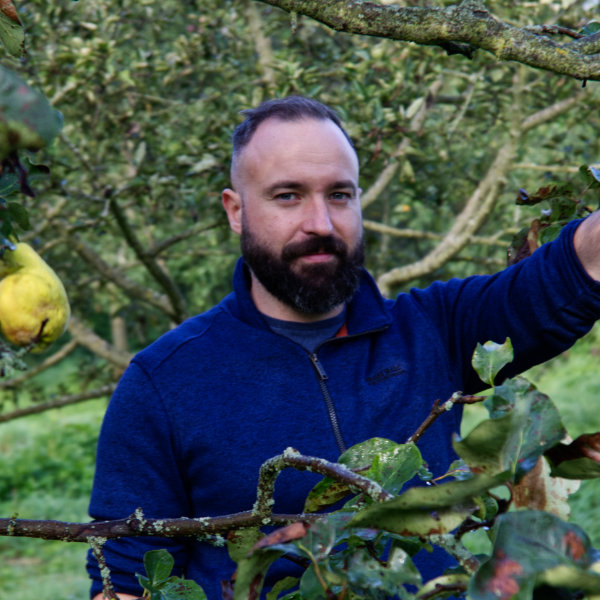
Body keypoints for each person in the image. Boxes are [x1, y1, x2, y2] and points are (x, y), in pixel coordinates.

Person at [87, 95, 600, 599]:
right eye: (287, 196)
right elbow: (126, 583)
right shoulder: (164, 381)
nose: (321, 223)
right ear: (236, 211)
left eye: (339, 195)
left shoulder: (436, 329)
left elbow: (567, 276)